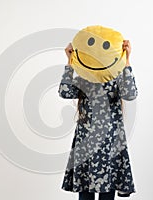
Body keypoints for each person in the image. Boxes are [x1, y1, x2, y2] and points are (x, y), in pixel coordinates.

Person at [58, 40, 138, 200]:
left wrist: (126, 60)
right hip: (87, 145)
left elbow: (130, 93)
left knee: (107, 192)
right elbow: (64, 92)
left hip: (110, 144)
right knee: (85, 193)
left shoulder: (115, 80)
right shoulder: (84, 80)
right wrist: (70, 62)